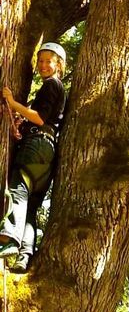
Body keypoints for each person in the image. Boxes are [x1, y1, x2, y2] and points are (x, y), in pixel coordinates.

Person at [0, 42, 67, 272]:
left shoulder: (51, 85)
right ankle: (25, 256)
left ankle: (10, 238)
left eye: (48, 60)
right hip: (46, 156)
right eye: (40, 61)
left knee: (18, 189)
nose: (43, 65)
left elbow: (39, 118)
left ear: (58, 64)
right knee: (29, 209)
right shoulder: (57, 89)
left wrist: (12, 103)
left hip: (37, 146)